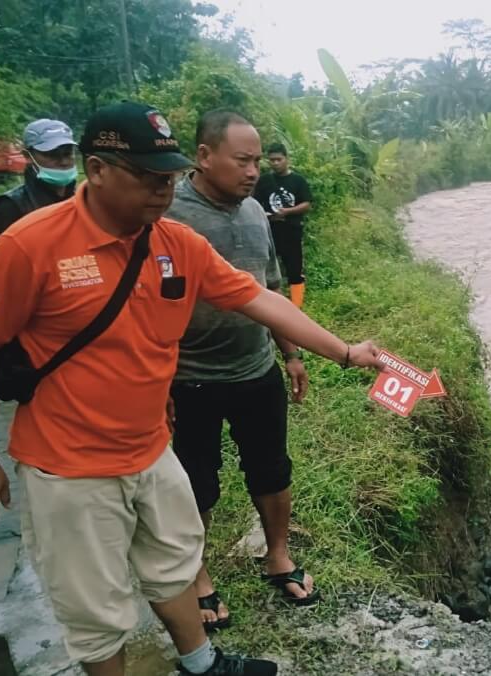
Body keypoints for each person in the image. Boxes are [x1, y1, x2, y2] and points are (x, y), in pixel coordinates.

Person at [0, 101, 382, 676]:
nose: (163, 191)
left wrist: (345, 351)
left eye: (170, 177)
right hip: (70, 467)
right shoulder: (31, 245)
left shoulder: (175, 243)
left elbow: (262, 298)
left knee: (175, 564)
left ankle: (202, 664)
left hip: (151, 448)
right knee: (96, 606)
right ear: (98, 168)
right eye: (150, 178)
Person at [165, 110, 315, 633]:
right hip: (188, 376)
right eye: (242, 160)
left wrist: (291, 352)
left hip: (256, 368)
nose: (254, 171)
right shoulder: (168, 213)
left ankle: (277, 554)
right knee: (195, 482)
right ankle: (198, 575)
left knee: (272, 469)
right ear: (204, 156)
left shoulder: (255, 212)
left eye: (257, 160)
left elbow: (269, 289)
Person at [0, 118, 79, 238]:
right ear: (28, 156)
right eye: (52, 154)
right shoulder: (11, 206)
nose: (63, 162)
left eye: (67, 154)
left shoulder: (85, 199)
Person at [254, 143, 311, 307]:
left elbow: (306, 204)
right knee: (266, 270)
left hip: (292, 231)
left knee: (295, 271)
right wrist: (265, 215)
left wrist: (287, 212)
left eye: (279, 159)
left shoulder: (298, 181)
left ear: (287, 159)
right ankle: (269, 307)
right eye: (272, 160)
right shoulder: (264, 181)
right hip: (269, 232)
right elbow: (255, 203)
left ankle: (297, 307)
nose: (275, 163)